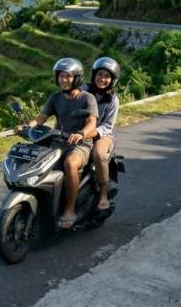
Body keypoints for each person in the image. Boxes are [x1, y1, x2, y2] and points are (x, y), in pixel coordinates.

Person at [14, 58, 98, 229]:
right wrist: (26, 127)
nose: (63, 80)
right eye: (61, 76)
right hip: (58, 141)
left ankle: (70, 209)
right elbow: (41, 118)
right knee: (39, 164)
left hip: (80, 144)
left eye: (68, 76)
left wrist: (81, 133)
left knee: (70, 164)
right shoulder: (55, 97)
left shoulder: (87, 98)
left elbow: (92, 123)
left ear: (77, 78)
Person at [83, 57, 120, 211]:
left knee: (98, 154)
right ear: (94, 74)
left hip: (102, 134)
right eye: (100, 74)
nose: (102, 79)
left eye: (107, 76)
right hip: (81, 131)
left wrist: (91, 132)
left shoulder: (112, 99)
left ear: (112, 80)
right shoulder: (83, 90)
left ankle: (103, 194)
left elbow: (108, 126)